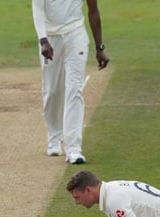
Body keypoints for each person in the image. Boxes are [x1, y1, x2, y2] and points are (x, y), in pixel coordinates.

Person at [32, 0, 109, 164]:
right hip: (50, 38)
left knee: (74, 90)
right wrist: (43, 40)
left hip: (76, 35)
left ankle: (73, 148)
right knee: (52, 91)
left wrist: (99, 48)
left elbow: (93, 10)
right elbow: (38, 9)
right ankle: (54, 137)